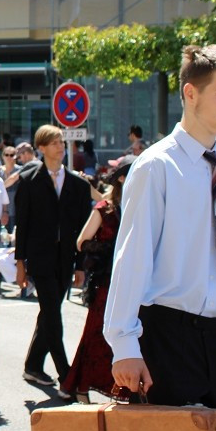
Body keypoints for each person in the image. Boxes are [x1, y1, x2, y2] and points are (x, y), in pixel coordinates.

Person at [103, 44, 216, 416]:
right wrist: (124, 346)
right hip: (164, 335)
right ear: (191, 93)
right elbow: (132, 260)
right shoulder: (156, 166)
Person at [14, 124, 91, 390]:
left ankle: (33, 365)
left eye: (61, 142)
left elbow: (83, 230)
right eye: (54, 142)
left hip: (65, 259)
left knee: (49, 312)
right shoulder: (30, 180)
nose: (60, 146)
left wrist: (80, 265)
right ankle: (65, 374)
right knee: (53, 315)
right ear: (42, 148)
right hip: (40, 258)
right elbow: (22, 225)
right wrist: (20, 263)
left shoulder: (79, 185)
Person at [60, 155, 135, 404]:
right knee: (97, 333)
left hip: (134, 282)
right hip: (106, 281)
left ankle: (122, 389)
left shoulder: (142, 204)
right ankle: (81, 386)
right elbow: (82, 242)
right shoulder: (105, 207)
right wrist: (108, 248)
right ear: (123, 178)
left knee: (129, 335)